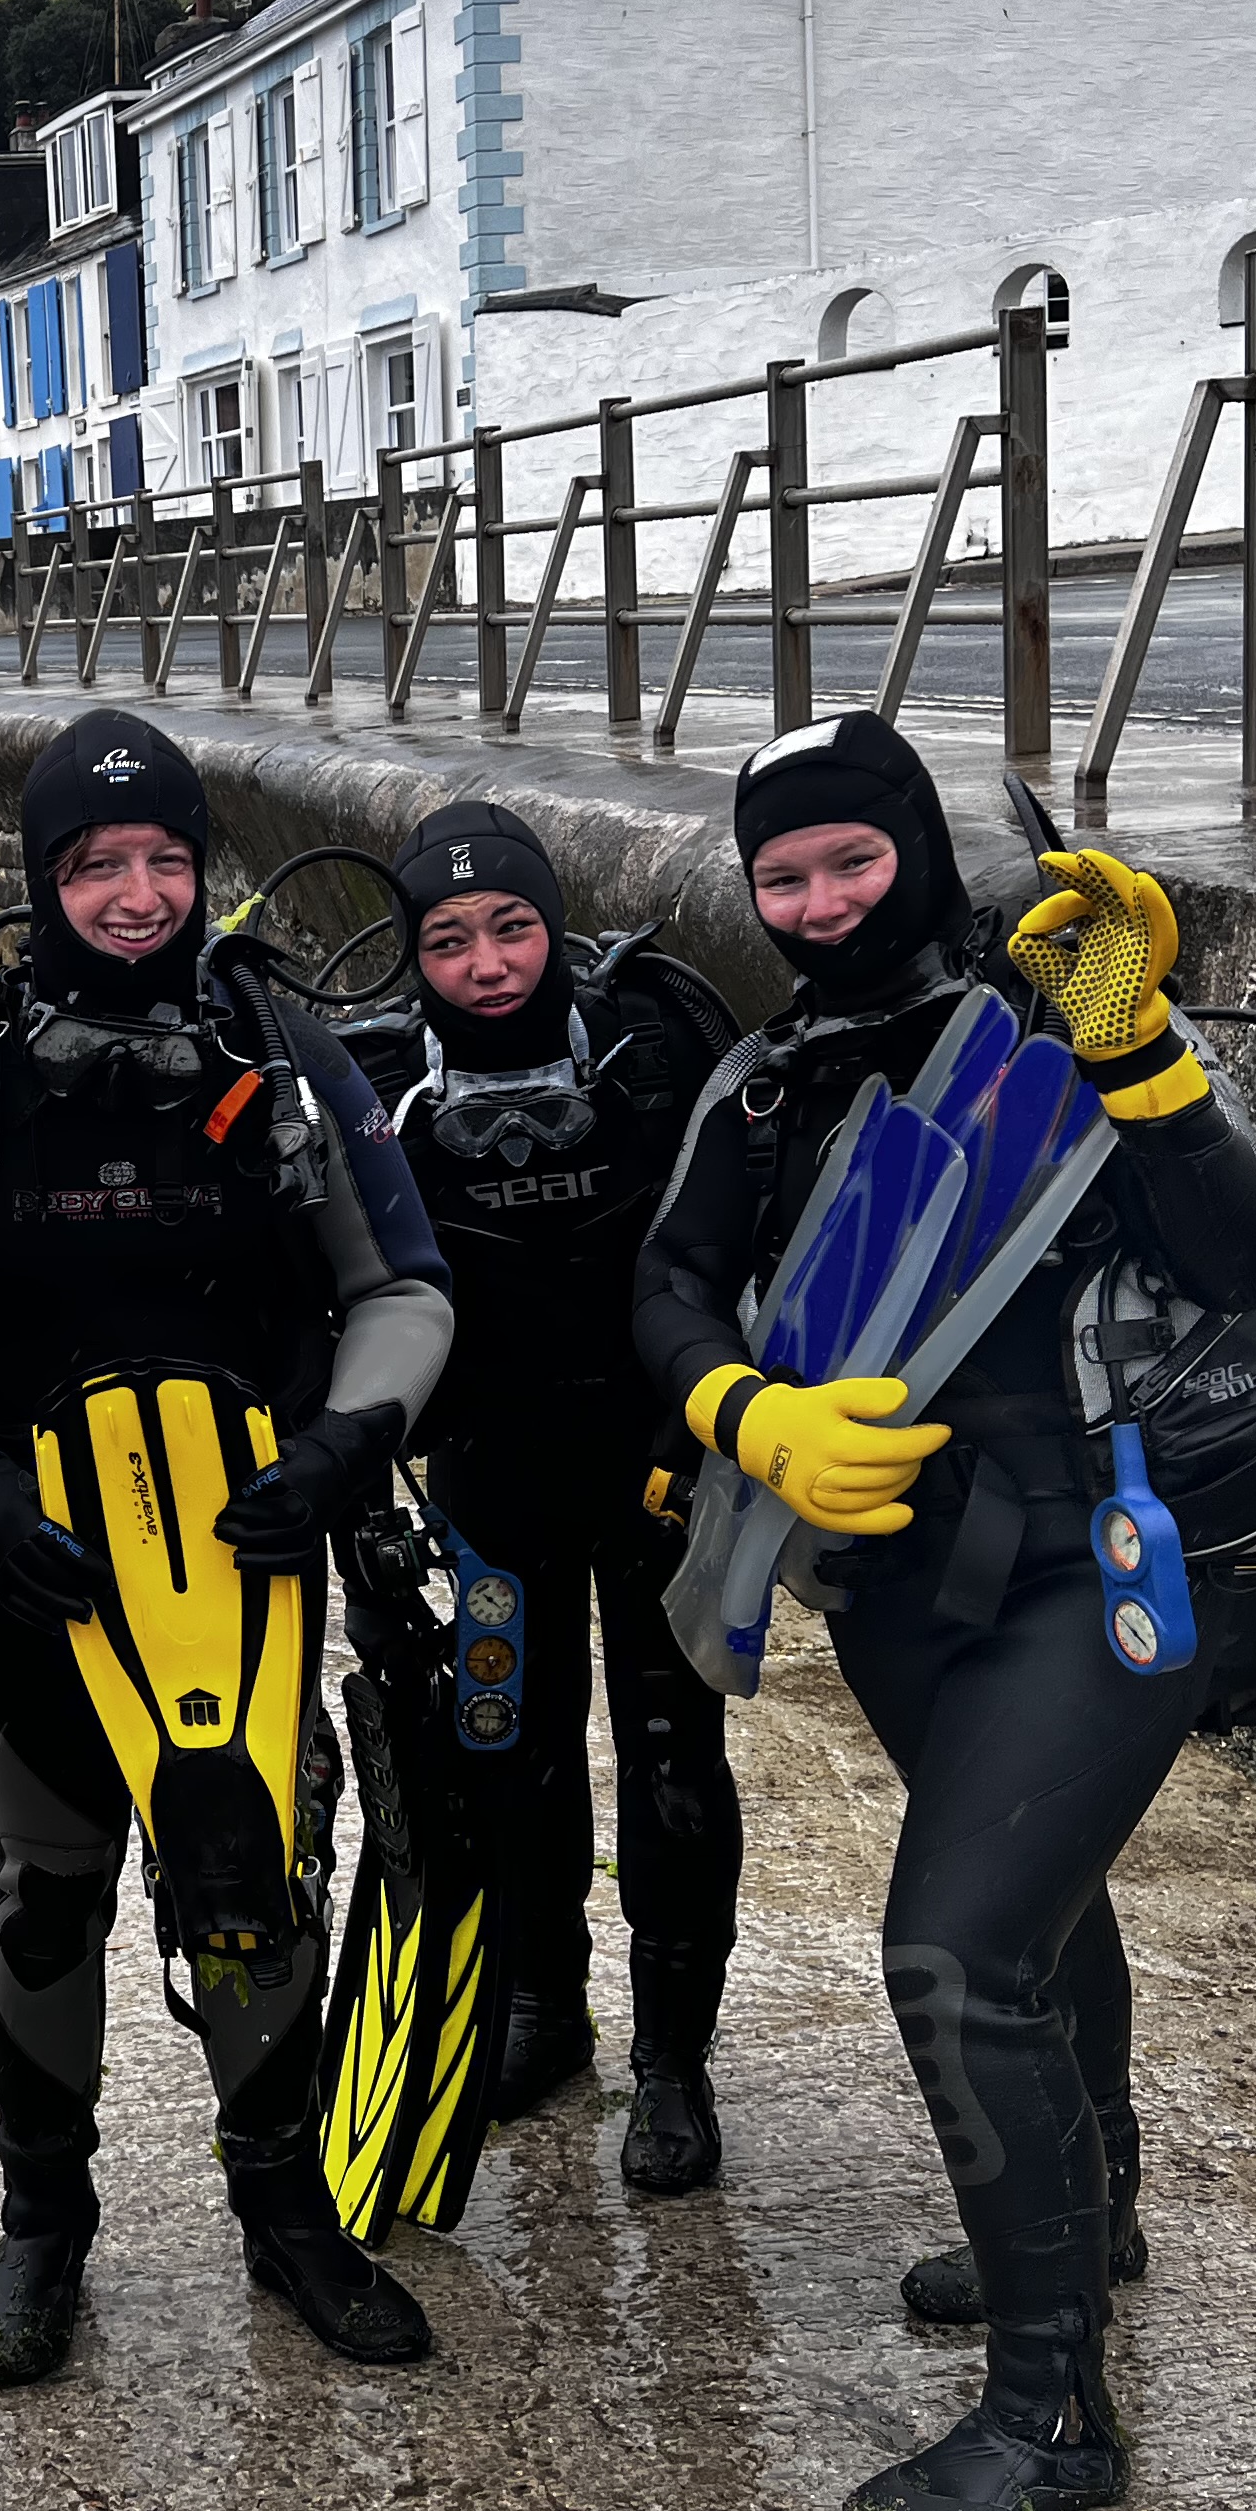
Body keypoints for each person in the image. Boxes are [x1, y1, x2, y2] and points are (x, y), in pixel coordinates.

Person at [631, 713, 1256, 2511]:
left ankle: (1051, 2412)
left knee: (949, 1951)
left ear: (920, 851)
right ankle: (1095, 2219)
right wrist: (737, 1414)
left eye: (851, 858)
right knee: (1032, 1914)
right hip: (902, 1588)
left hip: (1101, 1561)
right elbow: (669, 1279)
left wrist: (1143, 1053)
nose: (818, 900)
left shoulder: (1053, 1026)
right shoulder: (765, 1080)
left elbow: (1254, 1255)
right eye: (781, 873)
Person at [0, 708, 455, 2386]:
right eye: (99, 862)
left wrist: (343, 1442)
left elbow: (403, 1286)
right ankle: (44, 2218)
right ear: (45, 877)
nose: (139, 890)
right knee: (49, 1890)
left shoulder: (285, 1054)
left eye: (166, 855)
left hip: (245, 1532)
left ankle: (283, 2206)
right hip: (31, 1547)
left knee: (242, 1867)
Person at [377, 801, 746, 2187]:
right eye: (451, 939)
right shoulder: (378, 1088)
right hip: (491, 1483)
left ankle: (673, 2063)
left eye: (515, 926)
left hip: (657, 1472)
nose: (487, 962)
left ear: (553, 925)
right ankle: (543, 2009)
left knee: (672, 1764)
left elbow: (742, 1241)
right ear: (414, 955)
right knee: (507, 1751)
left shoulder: (656, 1045)